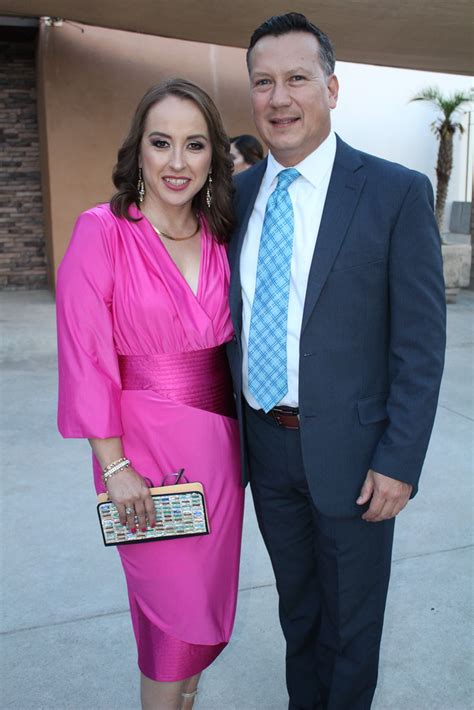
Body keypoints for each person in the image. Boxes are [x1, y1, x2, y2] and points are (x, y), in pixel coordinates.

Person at [226, 12, 446, 710]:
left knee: (352, 626)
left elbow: (419, 344)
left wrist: (400, 460)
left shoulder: (394, 193)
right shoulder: (231, 200)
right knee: (299, 614)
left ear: (333, 87)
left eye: (297, 78)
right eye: (264, 82)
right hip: (264, 447)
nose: (279, 98)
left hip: (357, 460)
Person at [57, 78, 244, 710]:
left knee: (198, 633)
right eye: (160, 142)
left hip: (218, 456)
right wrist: (114, 468)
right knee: (169, 625)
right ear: (138, 149)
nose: (176, 162)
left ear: (213, 157)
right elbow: (86, 360)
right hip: (141, 460)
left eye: (194, 146)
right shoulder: (101, 232)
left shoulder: (224, 234)